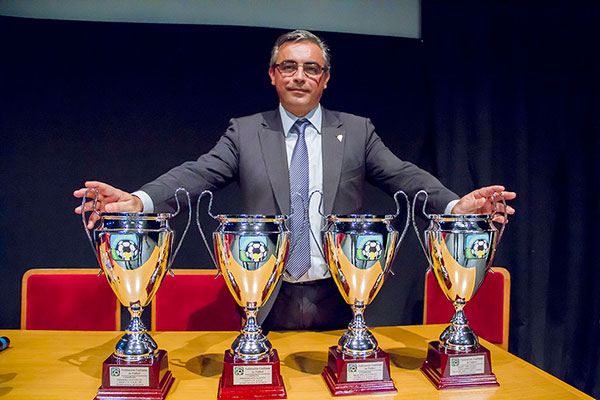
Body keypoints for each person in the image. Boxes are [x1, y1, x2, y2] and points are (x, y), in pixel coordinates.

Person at [74, 30, 516, 332]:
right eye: (288, 66)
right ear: (273, 75)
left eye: (310, 68)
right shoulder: (245, 132)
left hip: (341, 297)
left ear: (325, 80)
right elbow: (197, 172)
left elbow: (405, 174)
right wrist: (139, 201)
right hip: (267, 299)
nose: (299, 76)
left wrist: (456, 206)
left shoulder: (357, 131)